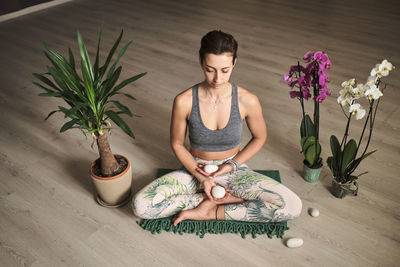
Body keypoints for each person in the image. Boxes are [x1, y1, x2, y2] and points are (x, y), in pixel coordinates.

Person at [132, 30, 302, 226]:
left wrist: (232, 165)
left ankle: (210, 211)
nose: (217, 79)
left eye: (225, 70)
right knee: (140, 206)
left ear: (234, 63)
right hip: (195, 170)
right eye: (210, 69)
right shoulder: (183, 101)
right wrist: (202, 178)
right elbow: (177, 144)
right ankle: (210, 200)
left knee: (292, 206)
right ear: (200, 61)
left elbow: (259, 137)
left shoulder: (248, 100)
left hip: (233, 171)